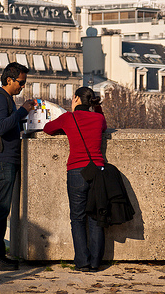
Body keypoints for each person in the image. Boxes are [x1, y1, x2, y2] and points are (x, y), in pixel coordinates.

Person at [43, 86, 107, 272]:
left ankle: (82, 262)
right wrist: (97, 109)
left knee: (77, 219)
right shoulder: (98, 118)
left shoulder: (68, 118)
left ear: (76, 99)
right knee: (96, 217)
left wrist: (71, 113)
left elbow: (48, 129)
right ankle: (96, 262)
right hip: (98, 170)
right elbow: (103, 124)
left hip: (77, 170)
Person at [0, 62, 35, 271]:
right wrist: (23, 111)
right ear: (9, 80)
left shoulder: (7, 100)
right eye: (21, 83)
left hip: (7, 158)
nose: (22, 86)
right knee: (0, 209)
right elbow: (1, 126)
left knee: (1, 209)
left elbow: (9, 124)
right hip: (1, 159)